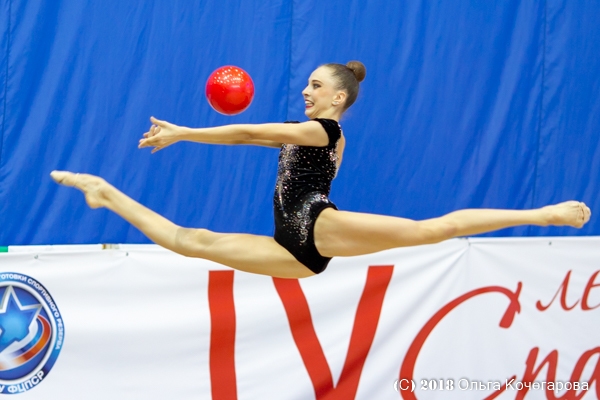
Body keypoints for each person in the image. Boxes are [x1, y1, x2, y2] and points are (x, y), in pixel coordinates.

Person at [51, 61, 592, 279]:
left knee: (433, 230)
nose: (305, 91)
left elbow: (250, 133)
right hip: (295, 249)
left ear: (338, 96)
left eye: (315, 85)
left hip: (315, 224)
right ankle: (103, 192)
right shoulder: (313, 129)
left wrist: (183, 132)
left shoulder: (324, 131)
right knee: (190, 241)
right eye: (305, 85)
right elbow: (259, 136)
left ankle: (543, 213)